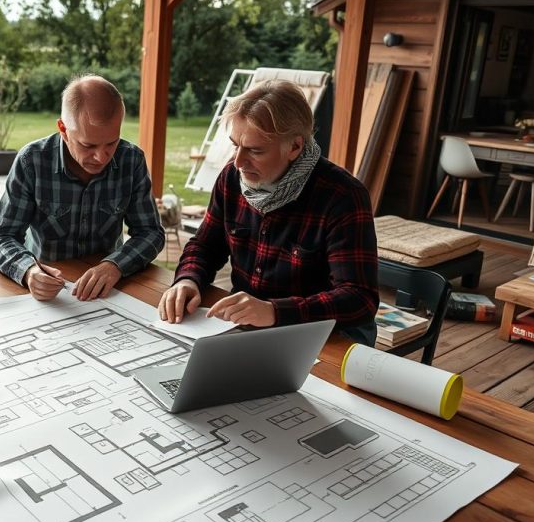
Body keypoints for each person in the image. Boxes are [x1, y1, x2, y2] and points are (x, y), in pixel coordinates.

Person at [158, 80, 378, 345]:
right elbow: (206, 245)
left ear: (295, 147)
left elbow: (359, 299)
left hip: (327, 335)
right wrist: (188, 279)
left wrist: (274, 311)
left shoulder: (342, 196)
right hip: (251, 326)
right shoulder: (232, 177)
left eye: (255, 150)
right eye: (235, 145)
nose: (238, 161)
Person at [0, 75, 165, 301]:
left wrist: (115, 266)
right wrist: (29, 271)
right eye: (88, 145)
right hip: (49, 289)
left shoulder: (131, 160)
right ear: (63, 129)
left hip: (109, 288)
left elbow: (150, 232)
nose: (101, 156)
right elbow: (2, 236)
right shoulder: (31, 161)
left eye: (112, 142)